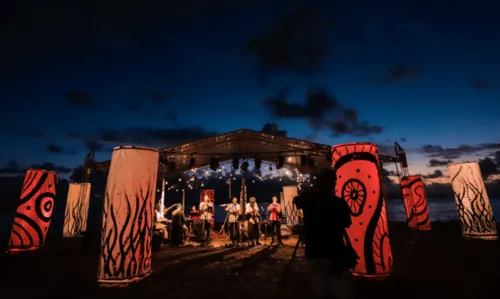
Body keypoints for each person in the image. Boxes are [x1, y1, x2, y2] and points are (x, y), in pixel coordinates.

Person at [293, 168, 354, 299]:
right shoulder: (339, 203)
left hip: (314, 249)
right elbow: (347, 223)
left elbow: (296, 201)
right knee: (339, 288)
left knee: (319, 288)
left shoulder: (309, 199)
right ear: (332, 184)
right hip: (334, 249)